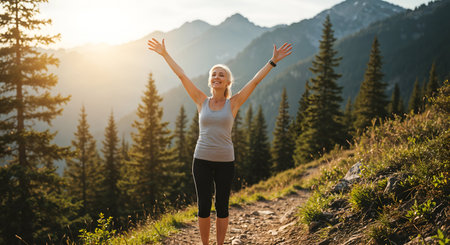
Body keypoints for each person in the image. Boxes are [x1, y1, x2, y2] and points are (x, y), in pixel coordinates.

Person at [147, 38, 292, 245]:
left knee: (222, 206)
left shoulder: (233, 103)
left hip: (225, 162)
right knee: (204, 206)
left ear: (227, 82)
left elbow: (255, 82)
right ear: (210, 81)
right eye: (213, 74)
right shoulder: (200, 100)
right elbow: (182, 75)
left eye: (221, 75)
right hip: (201, 160)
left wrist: (273, 61)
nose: (217, 77)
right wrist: (164, 54)